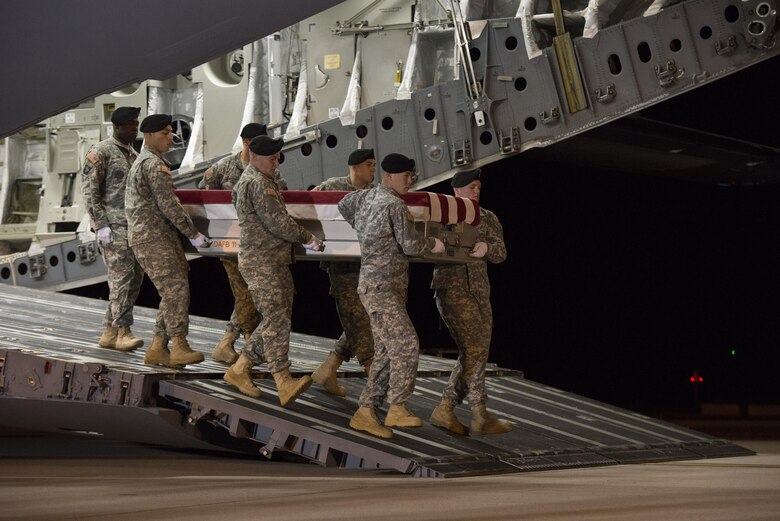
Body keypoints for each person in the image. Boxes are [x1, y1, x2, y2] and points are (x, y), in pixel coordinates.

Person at [338, 153, 445, 438]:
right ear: (389, 176)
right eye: (406, 175)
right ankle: (397, 407)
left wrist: (363, 230)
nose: (410, 180)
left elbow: (343, 204)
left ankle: (365, 412)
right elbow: (410, 245)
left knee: (385, 353)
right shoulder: (396, 205)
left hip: (374, 286)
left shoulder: (365, 198)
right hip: (383, 288)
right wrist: (431, 243)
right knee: (407, 344)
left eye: (411, 176)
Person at [223, 135, 322, 406]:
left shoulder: (260, 181)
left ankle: (241, 369)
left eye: (278, 156)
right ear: (254, 157)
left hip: (270, 260)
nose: (277, 161)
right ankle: (282, 378)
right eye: (271, 157)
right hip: (263, 261)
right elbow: (277, 222)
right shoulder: (257, 183)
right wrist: (308, 238)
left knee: (275, 318)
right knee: (276, 319)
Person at [429, 168, 513, 435]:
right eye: (471, 187)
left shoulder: (488, 218)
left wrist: (488, 248)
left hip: (479, 293)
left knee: (476, 352)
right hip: (452, 290)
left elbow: (501, 253)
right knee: (474, 348)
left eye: (478, 187)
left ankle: (446, 408)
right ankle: (479, 412)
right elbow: (425, 242)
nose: (476, 191)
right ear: (457, 190)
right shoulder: (443, 212)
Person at [125, 114, 210, 368]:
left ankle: (158, 348)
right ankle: (179, 345)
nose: (170, 138)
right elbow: (169, 205)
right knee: (176, 291)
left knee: (172, 291)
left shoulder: (145, 162)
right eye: (164, 133)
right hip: (154, 238)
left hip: (153, 237)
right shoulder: (154, 165)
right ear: (149, 136)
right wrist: (193, 234)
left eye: (171, 132)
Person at [310, 148, 377, 396]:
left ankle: (328, 369)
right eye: (369, 164)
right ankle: (375, 381)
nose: (373, 169)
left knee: (360, 318)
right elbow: (308, 204)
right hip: (341, 267)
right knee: (361, 321)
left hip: (365, 266)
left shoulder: (373, 192)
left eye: (374, 164)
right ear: (355, 167)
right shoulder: (333, 186)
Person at [202, 122, 269, 365]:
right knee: (246, 294)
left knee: (249, 294)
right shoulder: (222, 169)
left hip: (258, 245)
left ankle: (231, 341)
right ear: (246, 143)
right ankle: (242, 342)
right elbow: (206, 200)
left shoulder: (266, 168)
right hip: (231, 245)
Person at [81, 106, 145, 351]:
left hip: (133, 227)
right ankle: (123, 332)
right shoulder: (101, 152)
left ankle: (109, 331)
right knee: (122, 279)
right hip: (113, 227)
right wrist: (100, 225)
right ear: (117, 127)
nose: (134, 129)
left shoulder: (132, 154)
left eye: (136, 124)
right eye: (130, 125)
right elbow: (90, 192)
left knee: (134, 279)